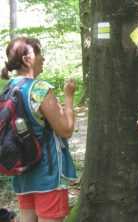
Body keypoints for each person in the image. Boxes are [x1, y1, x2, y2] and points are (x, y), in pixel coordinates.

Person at [1, 37, 76, 222]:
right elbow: (66, 129)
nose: (43, 58)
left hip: (22, 172)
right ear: (28, 60)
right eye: (39, 53)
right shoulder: (40, 89)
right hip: (47, 174)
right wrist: (68, 97)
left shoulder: (8, 88)